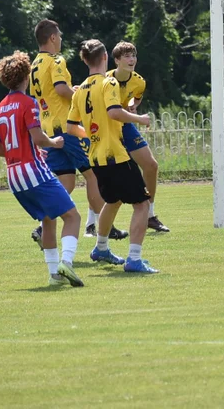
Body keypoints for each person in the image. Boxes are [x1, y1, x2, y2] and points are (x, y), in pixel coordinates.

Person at [0, 51, 84, 288]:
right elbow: (38, 137)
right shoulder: (28, 103)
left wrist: (22, 150)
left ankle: (54, 274)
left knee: (48, 219)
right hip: (33, 172)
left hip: (14, 177)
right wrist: (53, 143)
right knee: (72, 217)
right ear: (27, 75)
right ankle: (67, 263)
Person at [29, 19, 125, 247]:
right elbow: (61, 89)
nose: (61, 39)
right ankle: (103, 226)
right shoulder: (56, 60)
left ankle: (43, 228)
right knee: (92, 174)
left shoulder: (34, 64)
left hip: (49, 129)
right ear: (52, 38)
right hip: (67, 127)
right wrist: (80, 95)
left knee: (66, 182)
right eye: (59, 35)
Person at [68, 39, 158, 274]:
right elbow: (114, 112)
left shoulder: (80, 89)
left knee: (113, 201)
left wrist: (91, 134)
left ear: (85, 61)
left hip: (95, 157)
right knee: (142, 204)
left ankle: (101, 248)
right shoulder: (109, 83)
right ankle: (134, 260)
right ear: (106, 57)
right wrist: (140, 119)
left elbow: (70, 128)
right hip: (115, 155)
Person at [108, 42, 169, 233]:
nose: (131, 59)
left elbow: (137, 96)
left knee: (151, 165)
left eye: (133, 55)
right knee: (101, 176)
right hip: (106, 128)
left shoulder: (139, 81)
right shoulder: (105, 79)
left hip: (125, 125)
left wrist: (133, 105)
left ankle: (150, 215)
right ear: (116, 60)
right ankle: (94, 224)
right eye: (126, 56)